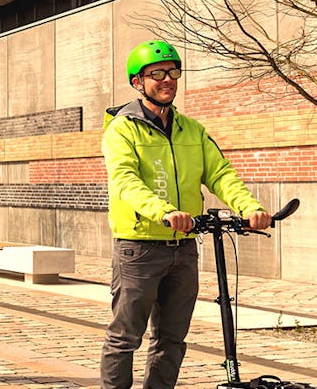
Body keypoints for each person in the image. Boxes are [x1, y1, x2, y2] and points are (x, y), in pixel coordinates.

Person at [100, 40, 271, 389]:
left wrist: (249, 207)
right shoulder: (122, 129)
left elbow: (220, 173)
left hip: (184, 247)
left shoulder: (191, 129)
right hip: (139, 248)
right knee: (125, 337)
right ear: (138, 82)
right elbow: (125, 181)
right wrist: (164, 211)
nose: (167, 79)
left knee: (172, 339)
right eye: (157, 73)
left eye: (173, 72)